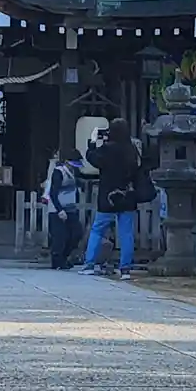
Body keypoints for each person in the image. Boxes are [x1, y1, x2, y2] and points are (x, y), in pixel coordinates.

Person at [80, 118, 140, 280]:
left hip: (108, 196)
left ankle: (89, 264)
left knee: (97, 230)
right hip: (127, 195)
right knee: (126, 233)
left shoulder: (107, 149)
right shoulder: (132, 149)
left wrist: (93, 141)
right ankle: (125, 269)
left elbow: (92, 157)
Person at [42, 147, 82, 270]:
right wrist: (59, 210)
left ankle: (64, 258)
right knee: (60, 237)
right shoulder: (59, 172)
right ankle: (57, 262)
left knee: (76, 234)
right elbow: (53, 193)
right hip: (57, 209)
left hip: (71, 209)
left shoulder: (74, 173)